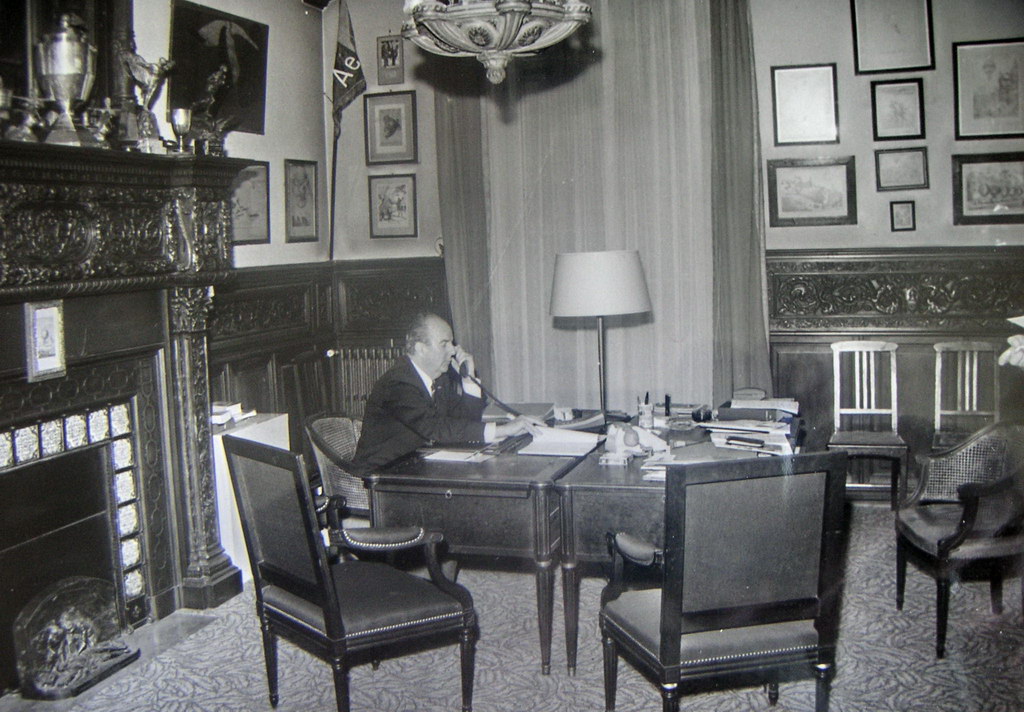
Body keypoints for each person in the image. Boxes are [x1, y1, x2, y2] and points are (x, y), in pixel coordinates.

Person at [351, 312, 540, 475]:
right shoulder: (398, 383)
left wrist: (468, 379)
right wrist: (502, 430)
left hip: (414, 467)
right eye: (444, 344)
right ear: (421, 348)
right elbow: (436, 428)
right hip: (379, 477)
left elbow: (463, 421)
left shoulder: (439, 379)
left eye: (452, 343)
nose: (453, 351)